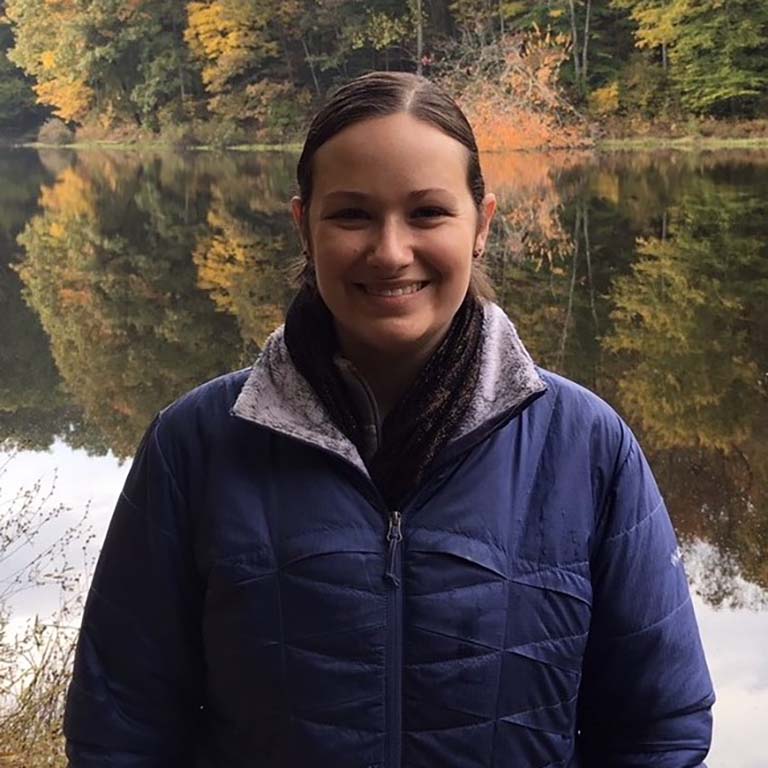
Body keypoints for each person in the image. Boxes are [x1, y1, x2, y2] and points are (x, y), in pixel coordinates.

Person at [63, 71, 715, 767]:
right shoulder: (197, 444)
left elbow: (660, 727)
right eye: (352, 215)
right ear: (303, 227)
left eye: (428, 213)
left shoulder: (585, 446)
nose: (391, 251)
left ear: (482, 226)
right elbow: (121, 724)